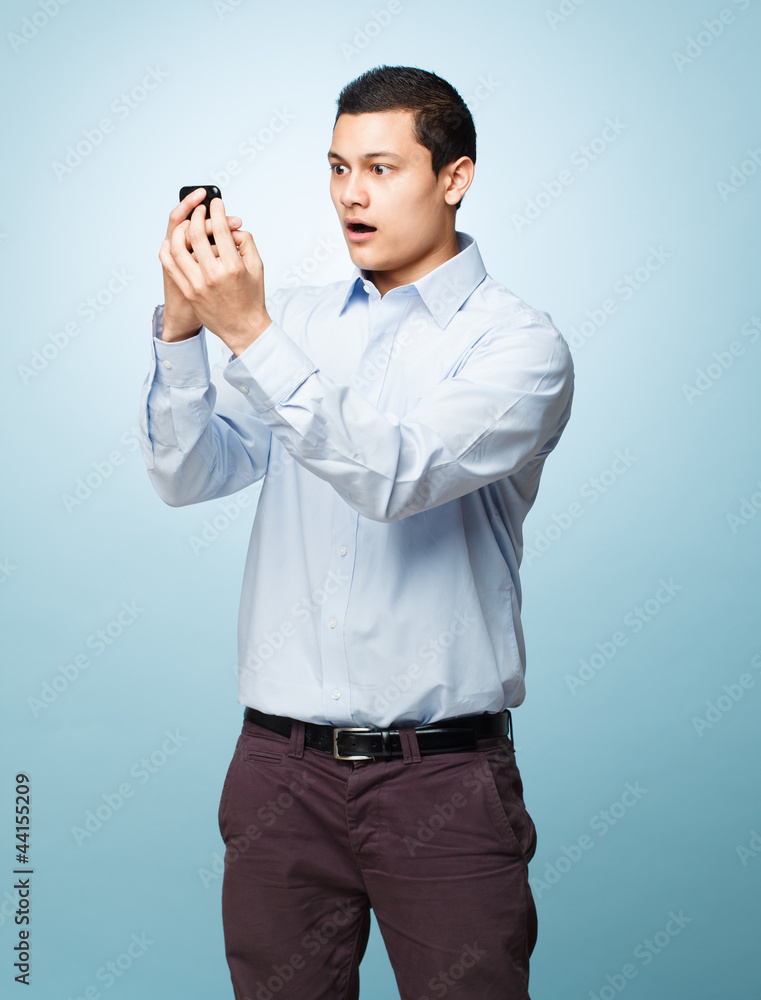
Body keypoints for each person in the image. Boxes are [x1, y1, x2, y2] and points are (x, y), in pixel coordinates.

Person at [138, 64, 574, 1000]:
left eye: (380, 167)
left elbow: (394, 475)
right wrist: (181, 336)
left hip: (441, 780)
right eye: (337, 168)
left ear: (453, 177)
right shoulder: (294, 322)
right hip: (276, 775)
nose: (350, 195)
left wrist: (247, 335)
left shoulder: (518, 346)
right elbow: (187, 474)